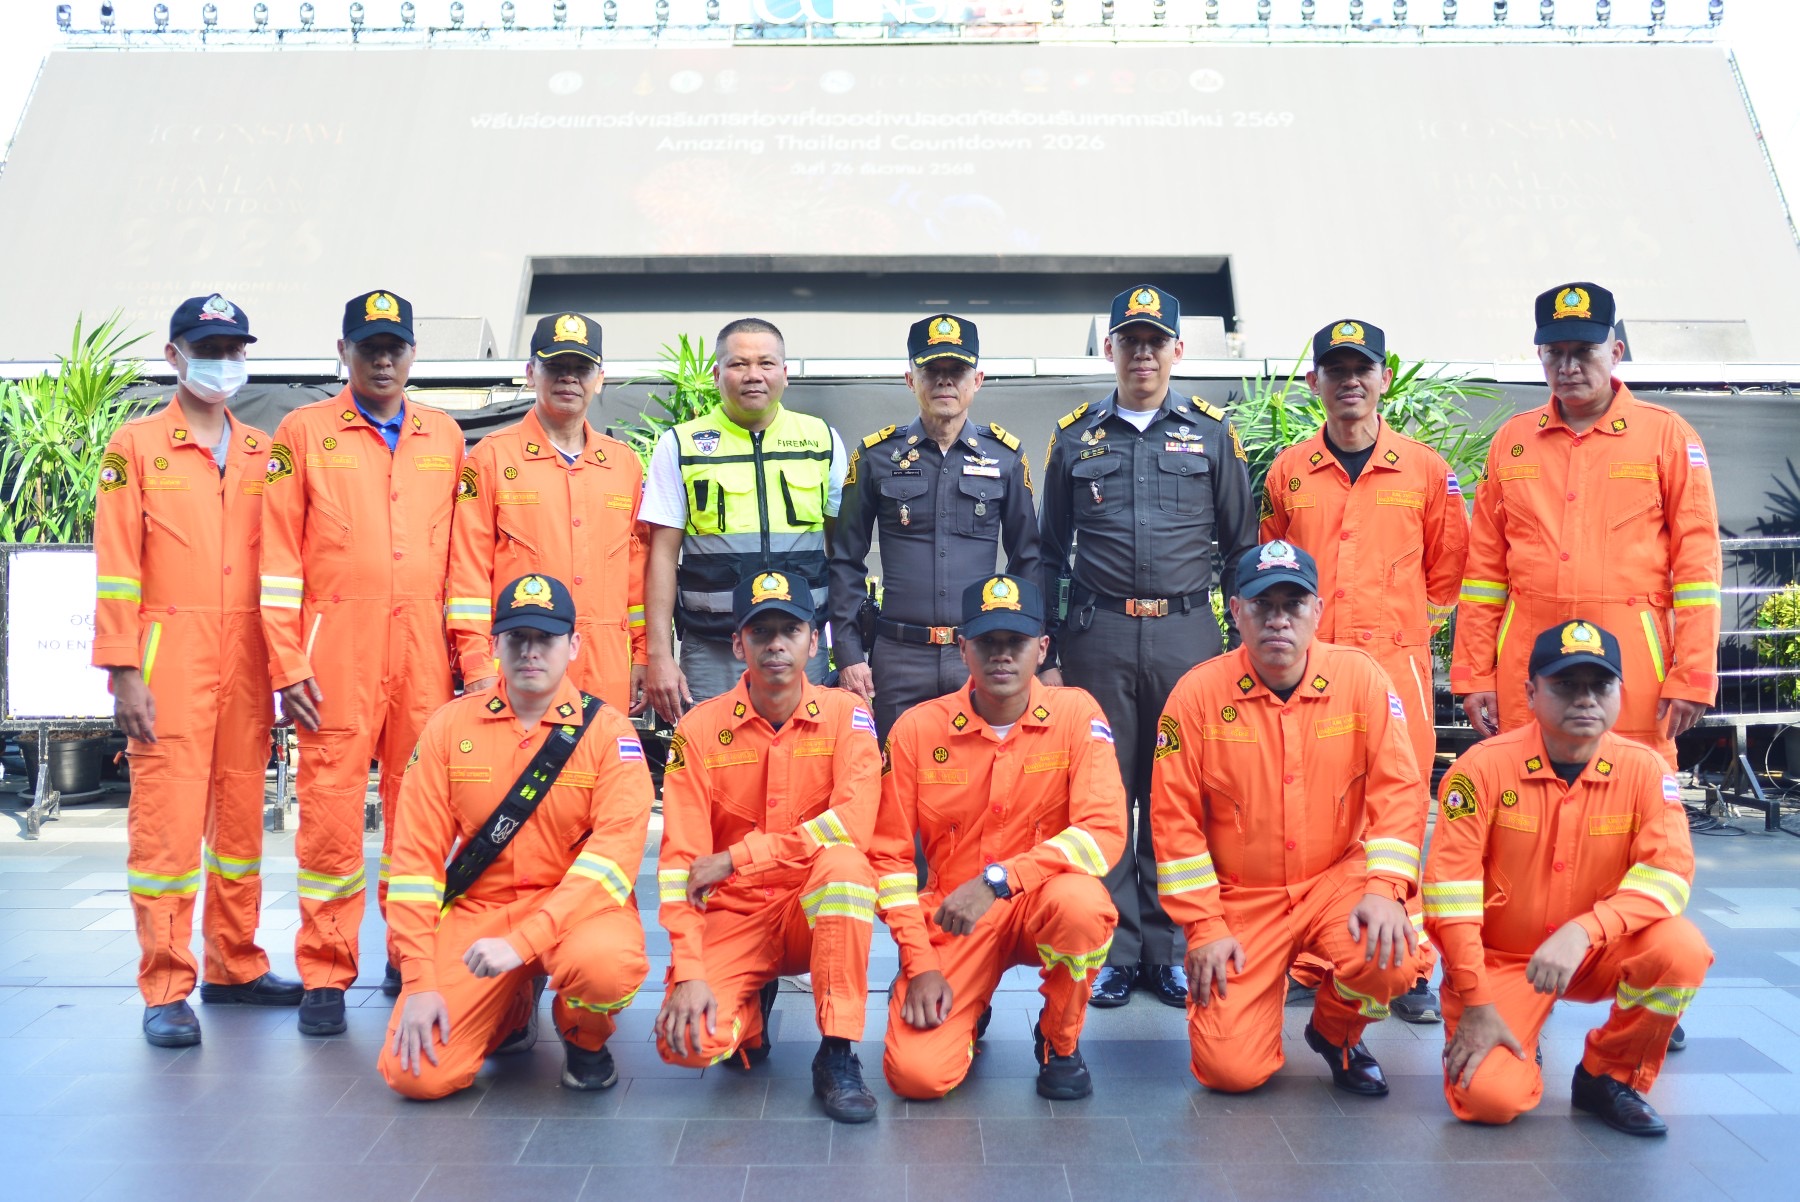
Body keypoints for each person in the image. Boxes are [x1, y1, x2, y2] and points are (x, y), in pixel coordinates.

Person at [1038, 284, 1257, 1009]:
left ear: (1177, 350)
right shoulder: (1075, 437)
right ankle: (1117, 949)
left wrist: (1242, 646)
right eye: (1129, 341)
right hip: (1097, 635)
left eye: (1155, 341)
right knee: (1105, 793)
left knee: (1175, 792)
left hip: (1186, 636)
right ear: (1110, 349)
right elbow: (1048, 552)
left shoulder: (1213, 435)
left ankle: (1165, 947)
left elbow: (1241, 549)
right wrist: (1049, 650)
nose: (1142, 354)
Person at [94, 294, 302, 1047]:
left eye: (234, 350)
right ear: (175, 356)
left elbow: (286, 566)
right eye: (209, 350)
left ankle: (234, 965)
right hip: (170, 665)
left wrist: (287, 665)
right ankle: (165, 986)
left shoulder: (264, 452)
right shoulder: (135, 447)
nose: (224, 363)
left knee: (241, 825)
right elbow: (117, 568)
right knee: (167, 833)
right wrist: (124, 669)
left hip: (247, 664)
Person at [1150, 540, 1425, 1096]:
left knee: (1392, 959)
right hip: (1242, 900)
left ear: (1317, 611)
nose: (1279, 619)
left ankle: (1336, 1032)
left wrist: (1384, 889)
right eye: (1263, 605)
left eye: (1293, 604)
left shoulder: (1362, 679)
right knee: (1229, 1072)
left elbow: (1399, 790)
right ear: (1236, 611)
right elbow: (1174, 822)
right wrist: (1204, 927)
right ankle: (1257, 1006)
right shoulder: (1196, 696)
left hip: (1336, 882)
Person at [259, 289, 463, 1035]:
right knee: (330, 813)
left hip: (423, 655)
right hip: (334, 655)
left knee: (423, 814)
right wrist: (287, 662)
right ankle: (325, 970)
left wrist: (467, 659)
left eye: (394, 347)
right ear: (342, 352)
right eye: (369, 347)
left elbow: (463, 558)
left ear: (412, 354)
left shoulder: (446, 436)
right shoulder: (303, 432)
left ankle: (410, 955)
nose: (383, 360)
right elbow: (278, 558)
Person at [1261, 319, 1469, 1025]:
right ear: (1314, 381)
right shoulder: (1289, 471)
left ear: (1383, 377)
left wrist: (1404, 632)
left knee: (1400, 807)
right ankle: (1311, 956)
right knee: (1310, 805)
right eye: (1336, 369)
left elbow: (1449, 572)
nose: (1350, 381)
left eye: (1362, 369)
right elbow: (1274, 568)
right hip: (1311, 668)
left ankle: (1407, 961)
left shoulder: (1426, 471)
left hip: (1394, 666)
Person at [1427, 621, 1710, 1134]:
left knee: (1681, 949)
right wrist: (1477, 1000)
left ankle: (1608, 1075)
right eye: (1565, 685)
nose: (1585, 699)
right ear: (1531, 693)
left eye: (1600, 685)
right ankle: (1518, 1041)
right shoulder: (1479, 770)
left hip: (1594, 952)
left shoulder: (1647, 771)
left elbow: (1669, 876)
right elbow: (1451, 900)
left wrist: (1584, 930)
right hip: (1501, 964)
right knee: (1490, 1101)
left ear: (1620, 693)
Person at [378, 574, 653, 1099]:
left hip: (578, 910)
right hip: (481, 912)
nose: (530, 652)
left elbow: (612, 861)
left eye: (546, 638)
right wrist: (418, 981)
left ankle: (585, 1039)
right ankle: (511, 1008)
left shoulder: (609, 734)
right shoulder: (447, 728)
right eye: (517, 637)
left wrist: (522, 943)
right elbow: (414, 862)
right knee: (416, 1076)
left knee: (603, 967)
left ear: (574, 645)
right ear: (495, 645)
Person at [1453, 282, 1721, 771]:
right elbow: (1484, 572)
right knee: (1525, 796)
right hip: (1529, 669)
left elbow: (1698, 568)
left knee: (1635, 794)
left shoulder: (1666, 436)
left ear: (1615, 353)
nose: (1568, 366)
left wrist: (1695, 672)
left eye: (1583, 352)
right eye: (1554, 352)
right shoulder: (1512, 441)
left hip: (1632, 669)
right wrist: (1474, 674)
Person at [877, 575, 1126, 1102]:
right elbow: (887, 860)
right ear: (962, 647)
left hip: (1043, 903)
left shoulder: (1077, 716)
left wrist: (998, 881)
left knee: (1083, 904)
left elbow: (1102, 831)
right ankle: (968, 1006)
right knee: (916, 1077)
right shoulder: (917, 731)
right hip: (955, 916)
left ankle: (1058, 1040)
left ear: (1043, 647)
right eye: (987, 641)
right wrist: (920, 964)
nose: (1001, 655)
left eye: (1016, 641)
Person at [652, 570, 882, 1123]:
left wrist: (739, 856)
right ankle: (749, 1011)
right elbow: (680, 863)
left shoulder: (848, 717)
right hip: (735, 913)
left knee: (847, 868)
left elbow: (852, 824)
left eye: (790, 630)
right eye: (760, 632)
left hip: (811, 907)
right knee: (686, 1043)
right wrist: (688, 971)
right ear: (738, 644)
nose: (775, 644)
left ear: (813, 641)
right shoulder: (697, 731)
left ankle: (838, 1051)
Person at [829, 315, 1042, 736]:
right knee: (894, 772)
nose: (945, 381)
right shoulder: (875, 457)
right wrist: (850, 653)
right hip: (898, 659)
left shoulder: (1005, 458)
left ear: (977, 380)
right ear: (911, 379)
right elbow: (845, 560)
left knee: (980, 769)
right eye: (932, 370)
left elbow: (1028, 559)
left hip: (978, 655)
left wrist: (1025, 646)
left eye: (957, 370)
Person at [641, 318, 848, 715]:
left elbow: (842, 553)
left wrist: (847, 648)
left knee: (805, 749)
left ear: (785, 373)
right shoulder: (680, 445)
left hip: (800, 647)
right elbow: (662, 557)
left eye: (766, 363)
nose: (753, 375)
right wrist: (660, 656)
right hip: (714, 648)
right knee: (712, 750)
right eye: (738, 364)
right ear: (717, 374)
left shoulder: (822, 440)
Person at [446, 312, 648, 713]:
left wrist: (642, 654)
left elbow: (637, 572)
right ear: (530, 373)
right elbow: (468, 569)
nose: (568, 378)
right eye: (555, 366)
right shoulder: (491, 458)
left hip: (605, 666)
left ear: (600, 379)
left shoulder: (623, 465)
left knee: (599, 755)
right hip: (520, 662)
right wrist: (475, 662)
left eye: (581, 369)